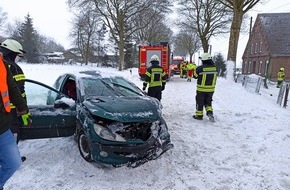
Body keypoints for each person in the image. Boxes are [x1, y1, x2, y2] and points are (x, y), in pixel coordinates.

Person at [0, 53, 31, 190]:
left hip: (2, 125)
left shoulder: (1, 63)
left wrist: (23, 110)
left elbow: (12, 88)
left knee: (13, 162)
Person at [0, 39, 27, 162]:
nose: (17, 58)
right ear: (11, 53)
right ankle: (11, 158)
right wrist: (24, 110)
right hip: (10, 111)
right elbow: (19, 92)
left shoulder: (3, 64)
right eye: (17, 55)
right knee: (11, 135)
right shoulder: (14, 68)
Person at [192, 53, 217, 121]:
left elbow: (194, 76)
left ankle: (199, 115)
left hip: (201, 89)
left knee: (200, 102)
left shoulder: (200, 68)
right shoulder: (215, 68)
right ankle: (210, 113)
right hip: (211, 90)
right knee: (208, 102)